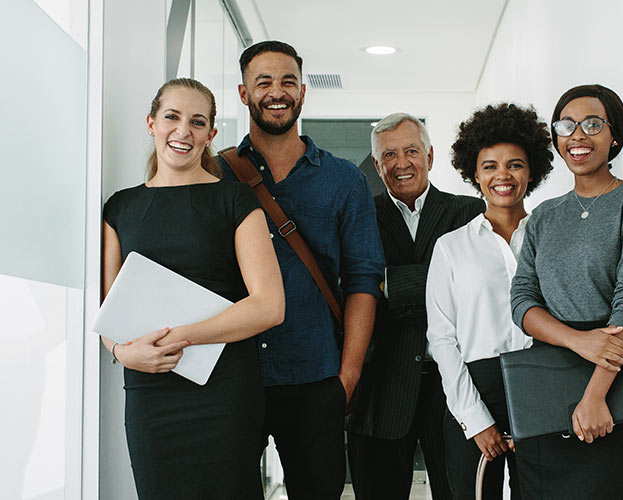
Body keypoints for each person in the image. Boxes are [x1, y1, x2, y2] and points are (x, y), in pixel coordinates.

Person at [101, 77, 285, 500]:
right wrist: (121, 352)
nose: (183, 131)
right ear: (151, 123)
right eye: (172, 117)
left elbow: (269, 306)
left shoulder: (235, 200)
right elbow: (108, 309)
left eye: (197, 122)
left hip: (224, 392)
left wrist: (179, 337)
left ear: (211, 135)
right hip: (150, 393)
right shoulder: (121, 207)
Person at [218, 40, 385, 500]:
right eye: (264, 82)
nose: (277, 91)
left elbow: (363, 280)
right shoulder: (216, 176)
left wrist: (346, 377)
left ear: (303, 92)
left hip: (315, 376)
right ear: (243, 92)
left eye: (288, 81)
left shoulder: (343, 180)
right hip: (232, 374)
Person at [510, 84, 623, 499]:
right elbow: (522, 299)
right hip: (547, 375)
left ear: (614, 136)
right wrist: (578, 341)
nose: (577, 135)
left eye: (593, 124)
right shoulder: (543, 215)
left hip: (614, 374)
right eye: (567, 124)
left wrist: (595, 396)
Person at [347, 113, 484, 500]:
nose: (401, 163)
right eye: (389, 154)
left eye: (411, 151)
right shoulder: (359, 216)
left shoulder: (470, 213)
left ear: (430, 155)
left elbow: (476, 292)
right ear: (377, 165)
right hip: (380, 387)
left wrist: (387, 284)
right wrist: (443, 281)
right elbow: (350, 291)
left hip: (455, 388)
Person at [425, 103, 553, 500]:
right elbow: (442, 340)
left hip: (544, 385)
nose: (503, 175)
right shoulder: (451, 247)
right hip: (475, 389)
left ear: (531, 172)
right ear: (474, 174)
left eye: (515, 164)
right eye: (489, 166)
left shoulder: (552, 238)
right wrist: (475, 419)